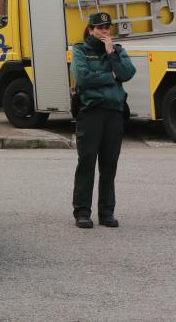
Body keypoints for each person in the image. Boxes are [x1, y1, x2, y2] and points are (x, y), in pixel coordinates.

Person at [70, 12, 136, 229]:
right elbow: (83, 78)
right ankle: (82, 212)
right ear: (90, 30)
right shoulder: (80, 50)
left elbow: (127, 73)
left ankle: (106, 212)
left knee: (109, 165)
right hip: (91, 113)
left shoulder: (116, 51)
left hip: (114, 113)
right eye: (99, 28)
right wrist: (111, 77)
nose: (104, 31)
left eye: (107, 27)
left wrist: (112, 55)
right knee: (87, 163)